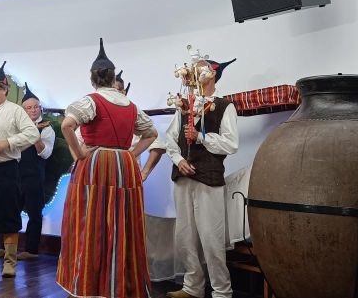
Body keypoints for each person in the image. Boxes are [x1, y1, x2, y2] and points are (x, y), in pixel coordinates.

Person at [57, 40, 158, 298]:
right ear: (114, 79)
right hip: (124, 166)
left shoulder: (91, 101)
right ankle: (120, 283)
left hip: (96, 165)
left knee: (90, 220)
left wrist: (79, 153)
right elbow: (152, 133)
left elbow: (67, 125)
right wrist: (130, 154)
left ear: (93, 78)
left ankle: (90, 283)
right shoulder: (131, 106)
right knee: (123, 222)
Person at [145, 55, 239, 298]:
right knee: (185, 235)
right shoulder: (184, 106)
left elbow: (231, 144)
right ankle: (192, 287)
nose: (190, 77)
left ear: (212, 75)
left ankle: (221, 291)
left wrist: (200, 137)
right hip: (183, 178)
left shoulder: (224, 106)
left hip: (208, 179)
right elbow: (171, 140)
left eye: (197, 72)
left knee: (211, 238)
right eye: (190, 72)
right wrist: (179, 160)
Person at [0, 62, 39, 278]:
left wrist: (8, 142)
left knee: (9, 215)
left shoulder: (15, 111)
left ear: (4, 90)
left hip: (7, 169)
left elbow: (32, 134)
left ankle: (9, 262)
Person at [17, 83, 55, 260]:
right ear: (23, 110)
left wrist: (34, 135)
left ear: (40, 108)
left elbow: (46, 154)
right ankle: (6, 248)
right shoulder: (16, 127)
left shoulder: (47, 129)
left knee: (34, 213)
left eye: (35, 107)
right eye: (28, 108)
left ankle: (31, 250)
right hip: (16, 175)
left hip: (34, 176)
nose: (33, 111)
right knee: (10, 211)